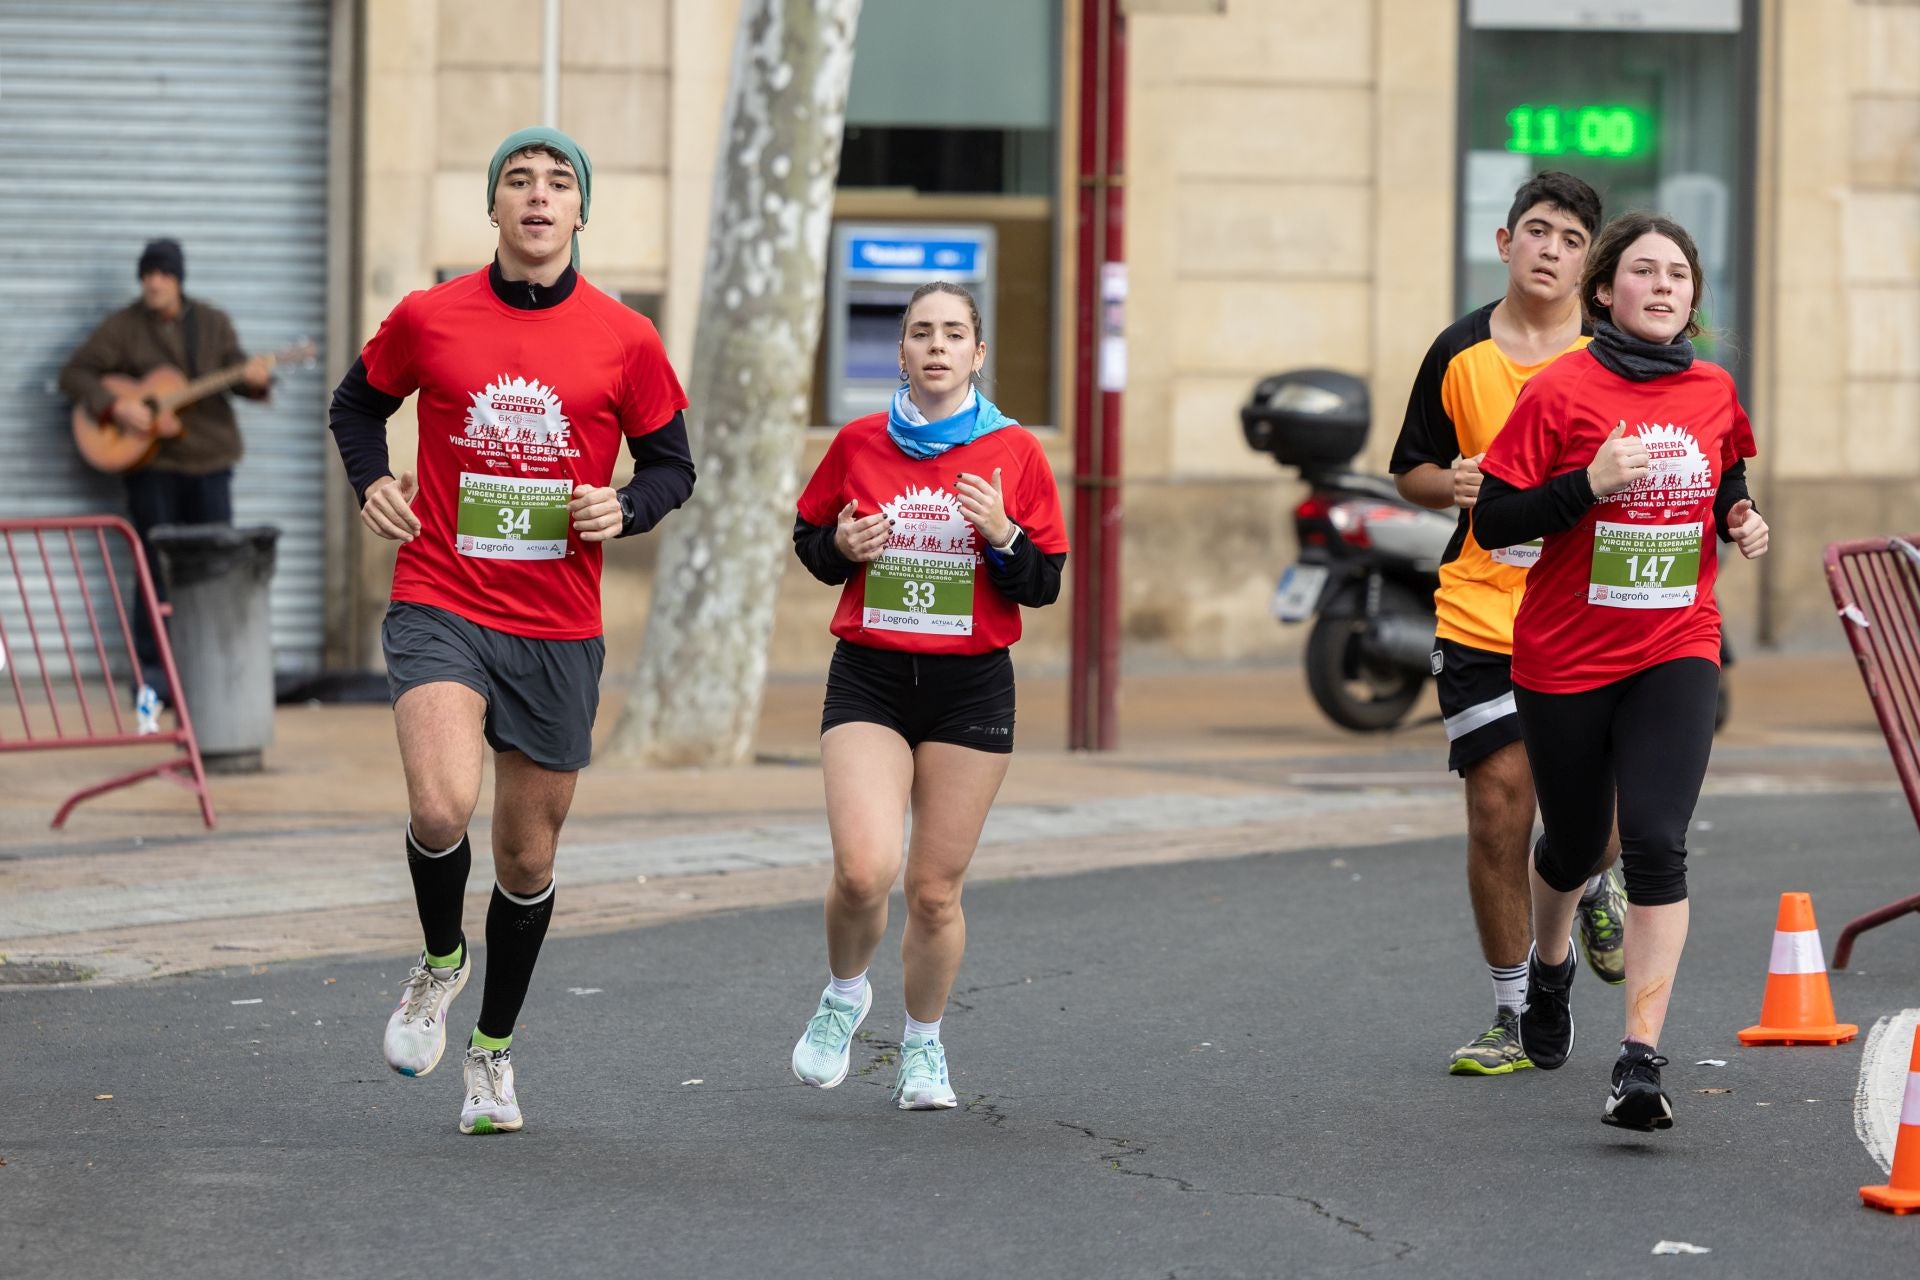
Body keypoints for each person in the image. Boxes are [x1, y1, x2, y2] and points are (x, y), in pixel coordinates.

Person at [326, 127, 694, 1135]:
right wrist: (374, 480)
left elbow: (673, 464)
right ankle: (440, 960)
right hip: (442, 593)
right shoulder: (430, 316)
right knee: (442, 806)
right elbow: (357, 406)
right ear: (493, 209)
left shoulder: (627, 337)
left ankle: (491, 1053)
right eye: (518, 182)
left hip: (560, 623)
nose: (538, 196)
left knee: (526, 857)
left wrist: (629, 505)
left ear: (581, 213)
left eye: (559, 182)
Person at [1474, 212, 1767, 1131]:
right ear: (1605, 291)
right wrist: (1588, 486)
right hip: (1564, 657)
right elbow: (1496, 523)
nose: (1665, 287)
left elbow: (1725, 477)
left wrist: (1741, 519)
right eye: (1644, 271)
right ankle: (1553, 966)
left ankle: (1638, 1059)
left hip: (1677, 645)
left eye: (1679, 274)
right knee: (1570, 846)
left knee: (1653, 839)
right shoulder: (1560, 391)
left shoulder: (1715, 390)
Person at [788, 282, 1067, 1109]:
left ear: (978, 355)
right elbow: (812, 543)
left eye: (954, 334)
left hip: (970, 686)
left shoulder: (1015, 453)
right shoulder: (858, 442)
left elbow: (1044, 582)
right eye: (920, 333)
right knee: (862, 871)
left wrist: (1004, 536)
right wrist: (840, 542)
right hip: (871, 675)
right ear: (901, 353)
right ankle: (844, 995)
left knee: (934, 891)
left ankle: (923, 1047)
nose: (936, 346)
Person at [1389, 172, 1627, 1077]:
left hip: (1588, 613)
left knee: (1590, 819)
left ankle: (1591, 878)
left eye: (1571, 239)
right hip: (1481, 609)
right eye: (1538, 232)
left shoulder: (1613, 357)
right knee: (1497, 807)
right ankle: (1511, 1011)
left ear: (1591, 263)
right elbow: (1407, 468)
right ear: (1504, 242)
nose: (1552, 250)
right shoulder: (1457, 352)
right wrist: (1443, 482)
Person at [59, 238, 275, 695]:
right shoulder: (122, 327)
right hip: (152, 466)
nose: (154, 282)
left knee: (215, 565)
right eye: (148, 274)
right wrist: (115, 406)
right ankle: (153, 673)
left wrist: (256, 381)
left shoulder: (212, 323)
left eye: (163, 274)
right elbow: (74, 373)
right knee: (153, 565)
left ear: (178, 280)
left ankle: (215, 668)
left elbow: (238, 373)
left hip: (210, 461)